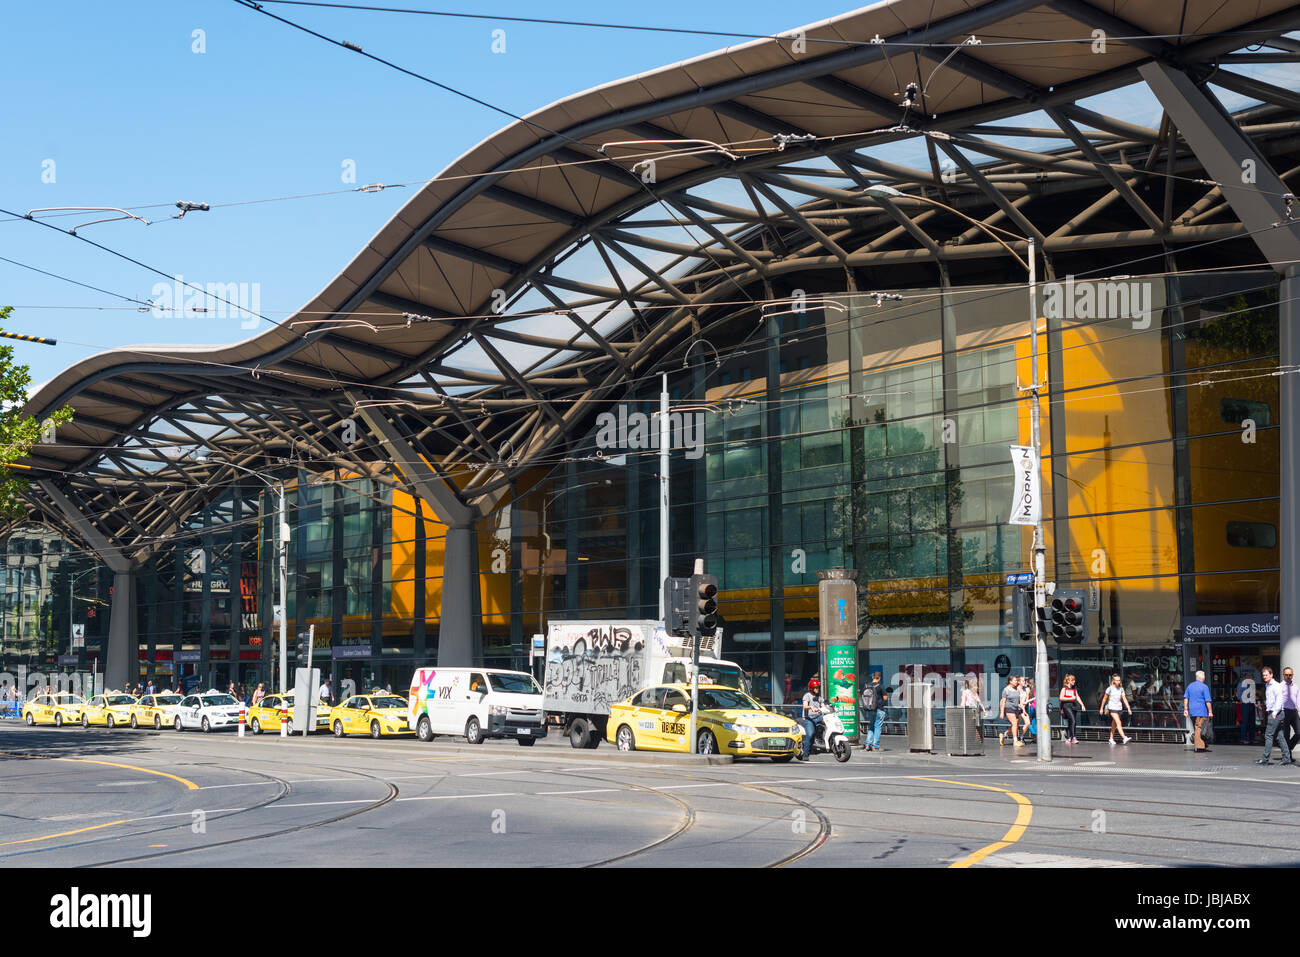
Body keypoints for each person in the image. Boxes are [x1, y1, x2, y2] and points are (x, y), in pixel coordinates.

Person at [1256, 667, 1292, 765]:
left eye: (1266, 675)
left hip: (1276, 712)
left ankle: (1265, 758)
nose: (1264, 677)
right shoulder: (1268, 685)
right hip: (1274, 712)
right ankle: (1286, 758)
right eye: (1263, 675)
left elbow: (1279, 700)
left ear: (1271, 675)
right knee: (1280, 736)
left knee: (1268, 735)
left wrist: (1275, 713)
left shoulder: (1276, 685)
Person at [1183, 669, 1213, 753]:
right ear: (1203, 678)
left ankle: (1200, 743)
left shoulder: (1190, 686)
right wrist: (1210, 711)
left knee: (1197, 727)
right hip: (1201, 710)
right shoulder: (1204, 687)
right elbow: (1207, 701)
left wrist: (1186, 709)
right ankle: (1199, 746)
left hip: (1192, 711)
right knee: (1199, 727)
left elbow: (1186, 698)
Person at [798, 677, 826, 761]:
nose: (817, 689)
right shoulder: (807, 696)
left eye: (818, 687)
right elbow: (805, 706)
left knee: (828, 722)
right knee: (810, 735)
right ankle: (805, 754)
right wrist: (811, 707)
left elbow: (823, 706)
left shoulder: (820, 697)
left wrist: (832, 708)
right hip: (809, 719)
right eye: (816, 688)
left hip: (818, 717)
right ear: (811, 688)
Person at [1100, 673, 1132, 745]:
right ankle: (1124, 738)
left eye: (1119, 680)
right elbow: (1104, 699)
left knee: (1114, 724)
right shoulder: (1109, 688)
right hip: (1112, 707)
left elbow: (1124, 699)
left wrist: (1128, 708)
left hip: (1119, 708)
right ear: (1113, 681)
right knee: (1118, 722)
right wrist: (1101, 708)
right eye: (1116, 680)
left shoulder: (1121, 689)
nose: (1118, 682)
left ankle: (1111, 739)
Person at [860, 672, 887, 752]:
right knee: (878, 727)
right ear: (879, 678)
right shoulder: (880, 686)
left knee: (871, 726)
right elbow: (885, 698)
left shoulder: (867, 686)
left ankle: (868, 745)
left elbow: (862, 696)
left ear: (873, 677)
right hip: (879, 709)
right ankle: (876, 746)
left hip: (871, 709)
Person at [999, 675, 1025, 747]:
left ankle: (1003, 735)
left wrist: (1023, 710)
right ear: (1010, 681)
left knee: (1015, 725)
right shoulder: (1006, 690)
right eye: (1015, 680)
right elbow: (1003, 702)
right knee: (1014, 723)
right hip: (1009, 708)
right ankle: (1015, 741)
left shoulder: (1017, 689)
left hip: (1016, 708)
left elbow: (1020, 701)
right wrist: (1002, 712)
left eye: (1017, 680)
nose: (1016, 682)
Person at [1280, 667, 1300, 754]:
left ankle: (1288, 749)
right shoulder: (1280, 686)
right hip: (1285, 711)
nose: (1288, 676)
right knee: (1286, 735)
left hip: (1294, 712)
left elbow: (1298, 700)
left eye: (1290, 675)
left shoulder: (1295, 686)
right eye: (1286, 675)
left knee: (1299, 732)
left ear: (1292, 675)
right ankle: (1288, 756)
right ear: (1283, 675)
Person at [1059, 674, 1082, 744]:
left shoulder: (1074, 689)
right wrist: (1070, 698)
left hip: (1073, 706)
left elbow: (1077, 697)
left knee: (1072, 722)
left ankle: (1069, 737)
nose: (1074, 681)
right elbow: (1061, 698)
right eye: (1073, 680)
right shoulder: (1064, 688)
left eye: (1074, 680)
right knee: (1073, 720)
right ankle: (1073, 737)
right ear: (1069, 681)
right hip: (1066, 707)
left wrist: (1082, 705)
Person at [1238, 674, 1257, 745]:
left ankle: (1252, 738)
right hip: (1245, 704)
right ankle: (1243, 738)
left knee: (1252, 722)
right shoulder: (1241, 685)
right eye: (1251, 678)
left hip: (1251, 704)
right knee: (1245, 722)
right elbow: (1239, 696)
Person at [1022, 679, 1037, 743]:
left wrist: (1026, 702)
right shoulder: (1036, 688)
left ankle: (1034, 734)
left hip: (1030, 706)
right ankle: (1035, 738)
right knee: (1033, 721)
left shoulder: (1028, 689)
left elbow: (1027, 699)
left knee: (1028, 722)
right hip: (1035, 707)